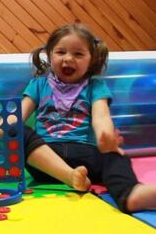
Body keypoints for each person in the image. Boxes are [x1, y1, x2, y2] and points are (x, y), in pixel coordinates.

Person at [21, 23, 156, 213]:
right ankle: (69, 176)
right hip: (45, 160)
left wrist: (106, 138)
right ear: (50, 55)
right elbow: (16, 117)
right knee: (18, 131)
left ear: (91, 60)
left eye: (78, 54)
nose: (68, 58)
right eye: (61, 52)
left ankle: (131, 194)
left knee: (114, 156)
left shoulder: (95, 86)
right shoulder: (38, 85)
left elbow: (101, 117)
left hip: (86, 157)